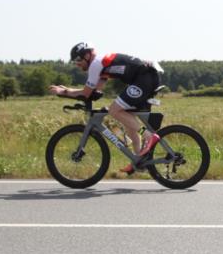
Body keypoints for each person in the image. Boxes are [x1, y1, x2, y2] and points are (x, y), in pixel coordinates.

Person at [49, 43, 162, 174]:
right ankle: (139, 160)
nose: (77, 64)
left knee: (114, 110)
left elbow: (85, 93)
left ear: (87, 55)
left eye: (78, 60)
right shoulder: (101, 64)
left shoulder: (96, 64)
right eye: (75, 62)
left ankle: (149, 137)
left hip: (145, 78)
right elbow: (97, 88)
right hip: (144, 77)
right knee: (127, 121)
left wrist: (63, 92)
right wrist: (69, 91)